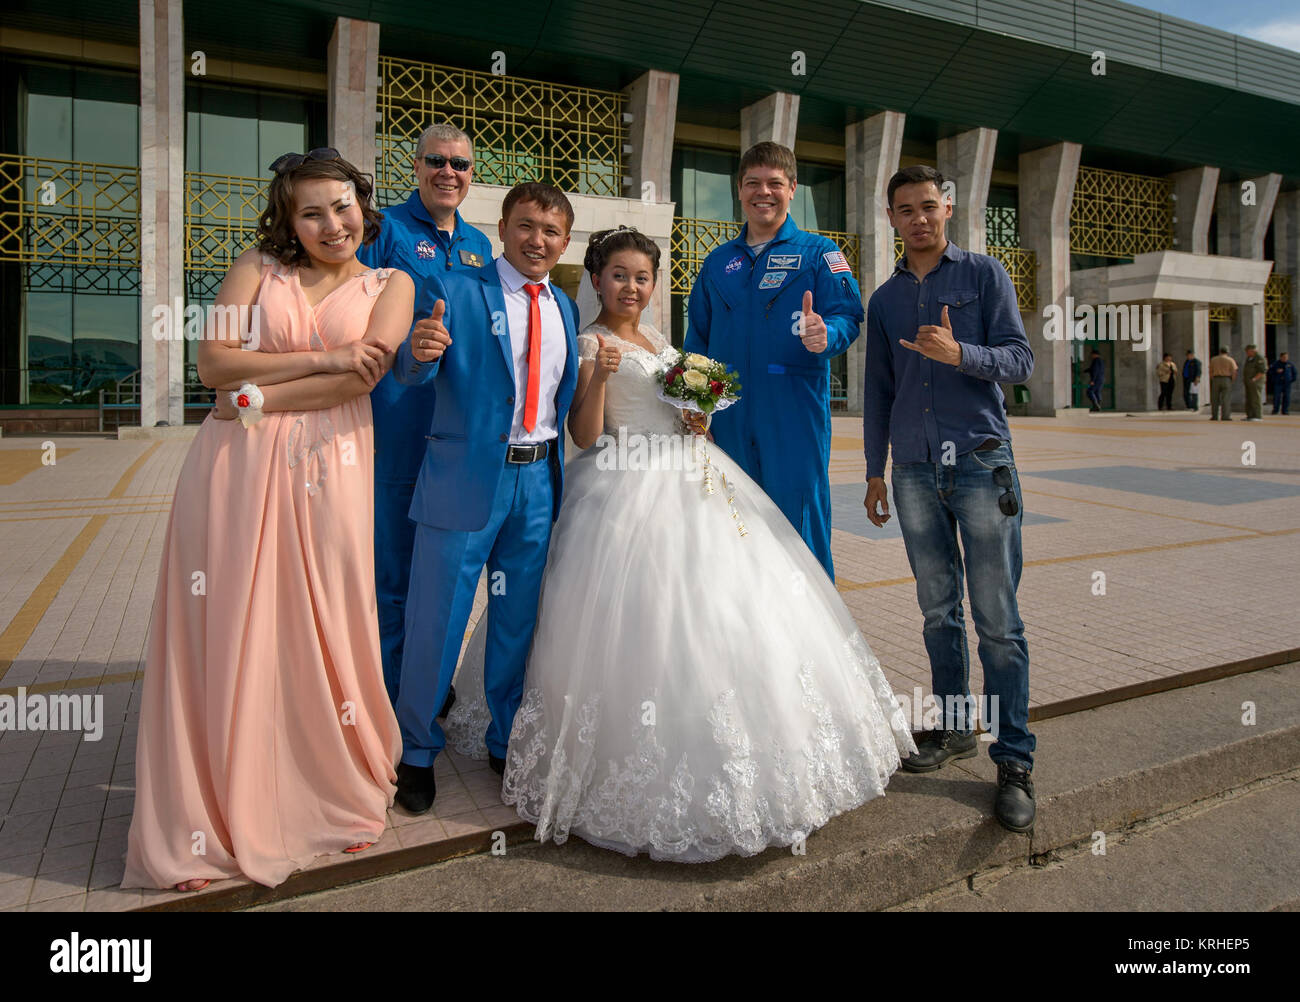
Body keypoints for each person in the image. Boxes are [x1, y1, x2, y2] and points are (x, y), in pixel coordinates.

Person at [443, 226, 915, 861]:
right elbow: (583, 435)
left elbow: (674, 404)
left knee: (729, 604)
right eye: (618, 275)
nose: (631, 287)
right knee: (646, 615)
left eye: (642, 277)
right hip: (621, 485)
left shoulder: (660, 340)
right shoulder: (590, 341)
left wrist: (695, 413)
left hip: (690, 468)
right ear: (597, 278)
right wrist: (599, 378)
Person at [123, 149, 414, 891]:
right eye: (310, 211)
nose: (331, 223)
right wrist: (324, 358)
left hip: (332, 467)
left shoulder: (394, 282)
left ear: (363, 204)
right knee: (231, 626)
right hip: (233, 472)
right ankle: (207, 820)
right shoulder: (257, 266)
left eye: (342, 205)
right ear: (288, 218)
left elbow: (365, 369)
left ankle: (334, 793)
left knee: (323, 623)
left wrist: (255, 397)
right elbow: (212, 365)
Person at [388, 181, 580, 814]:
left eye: (551, 231)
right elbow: (417, 369)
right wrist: (416, 355)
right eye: (526, 226)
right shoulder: (457, 291)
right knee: (435, 620)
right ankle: (415, 749)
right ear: (501, 228)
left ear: (565, 241)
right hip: (464, 481)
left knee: (516, 625)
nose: (537, 240)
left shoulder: (566, 308)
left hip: (536, 484)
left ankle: (504, 739)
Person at [862, 164, 1036, 834]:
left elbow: (1020, 361)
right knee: (937, 610)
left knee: (997, 618)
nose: (918, 219)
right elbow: (877, 389)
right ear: (892, 218)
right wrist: (875, 470)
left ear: (948, 210)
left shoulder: (984, 276)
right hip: (910, 470)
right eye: (905, 210)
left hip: (980, 464)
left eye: (928, 206)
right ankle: (957, 727)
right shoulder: (883, 300)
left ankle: (1015, 757)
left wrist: (959, 351)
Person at [356, 122, 492, 708]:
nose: (448, 173)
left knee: (437, 571)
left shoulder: (481, 246)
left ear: (470, 176)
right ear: (415, 167)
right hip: (396, 419)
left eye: (459, 165)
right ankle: (388, 692)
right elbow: (348, 307)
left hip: (454, 431)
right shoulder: (383, 229)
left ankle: (423, 682)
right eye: (436, 161)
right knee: (392, 568)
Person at [684, 141, 864, 581]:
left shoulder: (820, 253)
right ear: (738, 190)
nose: (763, 193)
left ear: (793, 189)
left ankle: (813, 640)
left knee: (798, 527)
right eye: (752, 184)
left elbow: (849, 315)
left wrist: (827, 335)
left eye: (774, 184)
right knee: (730, 525)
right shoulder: (717, 262)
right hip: (727, 419)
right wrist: (692, 406)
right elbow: (697, 342)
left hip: (793, 415)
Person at [1209, 346, 1237, 420]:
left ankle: (1214, 416)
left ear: (1220, 351)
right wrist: (1232, 380)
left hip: (1216, 379)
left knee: (1215, 399)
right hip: (1226, 379)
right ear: (1227, 352)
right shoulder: (1230, 360)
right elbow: (1234, 371)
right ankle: (1225, 416)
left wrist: (1212, 379)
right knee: (1226, 399)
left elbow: (1210, 371)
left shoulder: (1213, 359)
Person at [1243, 344, 1267, 422]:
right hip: (1249, 381)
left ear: (1252, 350)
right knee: (1249, 398)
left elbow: (1262, 370)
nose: (1247, 353)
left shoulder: (1259, 358)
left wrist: (1254, 379)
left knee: (1256, 398)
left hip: (1256, 382)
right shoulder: (1249, 358)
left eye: (1247, 351)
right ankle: (1250, 415)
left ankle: (1258, 415)